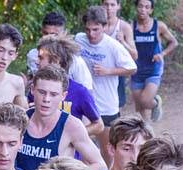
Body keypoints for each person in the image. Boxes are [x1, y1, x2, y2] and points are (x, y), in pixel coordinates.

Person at [17, 65, 105, 170]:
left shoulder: (71, 126)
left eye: (53, 94)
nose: (46, 99)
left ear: (63, 96)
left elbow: (100, 164)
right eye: (42, 92)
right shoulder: (18, 120)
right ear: (32, 90)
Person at [76, 6, 137, 157]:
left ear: (104, 27)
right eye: (88, 29)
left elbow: (132, 68)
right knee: (81, 149)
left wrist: (108, 71)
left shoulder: (113, 46)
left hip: (107, 105)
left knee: (108, 152)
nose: (91, 34)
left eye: (96, 29)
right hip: (86, 103)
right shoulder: (79, 39)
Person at [35, 34, 101, 140]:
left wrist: (70, 135)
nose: (36, 62)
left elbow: (98, 125)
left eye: (41, 58)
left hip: (68, 155)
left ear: (56, 60)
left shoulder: (79, 91)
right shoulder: (36, 88)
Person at [130, 0, 179, 122]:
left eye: (147, 7)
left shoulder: (158, 26)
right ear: (136, 8)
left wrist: (162, 54)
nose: (143, 9)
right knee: (139, 107)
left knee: (145, 100)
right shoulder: (130, 26)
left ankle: (155, 103)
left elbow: (174, 42)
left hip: (153, 69)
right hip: (136, 69)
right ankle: (147, 133)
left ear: (151, 10)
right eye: (140, 6)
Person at [103, 0, 139, 117]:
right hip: (97, 73)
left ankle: (116, 133)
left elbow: (134, 55)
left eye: (112, 5)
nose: (109, 8)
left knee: (115, 109)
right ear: (101, 5)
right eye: (106, 4)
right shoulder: (96, 25)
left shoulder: (124, 27)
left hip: (116, 74)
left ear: (118, 6)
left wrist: (123, 42)